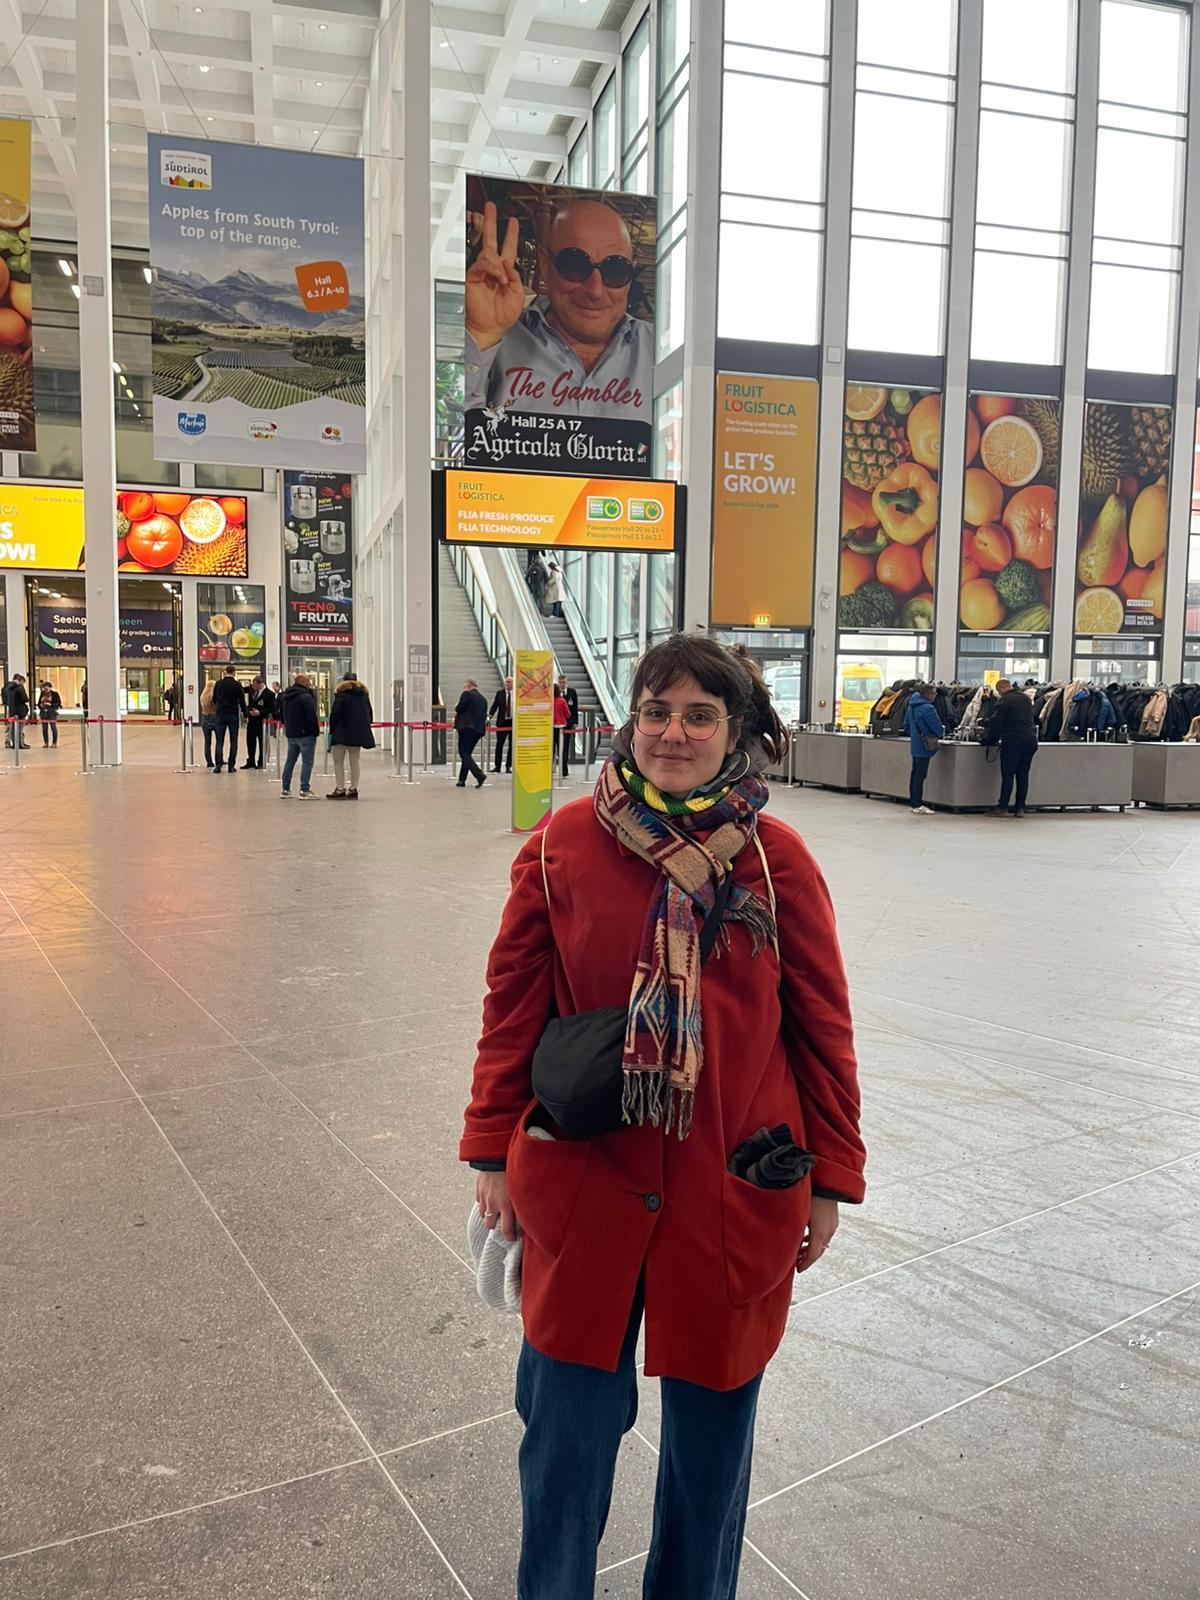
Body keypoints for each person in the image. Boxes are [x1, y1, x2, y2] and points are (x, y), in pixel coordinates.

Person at [461, 634, 865, 1600]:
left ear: (735, 732)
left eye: (698, 715)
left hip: (730, 1187)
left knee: (709, 1461)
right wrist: (489, 1154)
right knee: (564, 1440)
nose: (672, 732)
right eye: (655, 711)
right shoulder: (560, 848)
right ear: (628, 721)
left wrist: (833, 1178)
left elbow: (822, 1027)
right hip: (586, 1180)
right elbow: (513, 1010)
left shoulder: (775, 863)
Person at [464, 197, 653, 426]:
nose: (595, 290)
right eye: (575, 265)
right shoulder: (498, 340)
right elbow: (449, 436)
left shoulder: (661, 351)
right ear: (545, 265)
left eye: (615, 270)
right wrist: (480, 334)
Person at [986, 678, 1039, 817]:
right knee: (1023, 775)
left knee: (1008, 775)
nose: (999, 694)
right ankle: (1020, 808)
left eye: (999, 692)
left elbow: (997, 721)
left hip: (1013, 740)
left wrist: (987, 733)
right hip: (1030, 740)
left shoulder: (1005, 700)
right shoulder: (1026, 698)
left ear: (1002, 689)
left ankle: (1003, 807)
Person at [327, 671, 375, 800]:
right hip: (357, 734)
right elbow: (369, 713)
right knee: (354, 761)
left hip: (341, 734)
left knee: (338, 761)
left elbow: (335, 714)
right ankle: (353, 789)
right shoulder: (363, 695)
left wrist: (332, 730)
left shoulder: (341, 695)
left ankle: (340, 788)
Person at [902, 684, 943, 815]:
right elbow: (938, 729)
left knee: (915, 775)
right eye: (934, 694)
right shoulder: (928, 708)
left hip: (915, 745)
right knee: (920, 775)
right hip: (925, 746)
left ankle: (913, 802)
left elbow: (906, 726)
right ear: (928, 694)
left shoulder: (911, 706)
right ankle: (917, 804)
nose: (935, 696)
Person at [278, 673, 320, 799]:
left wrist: (287, 727)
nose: (309, 683)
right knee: (307, 762)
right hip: (306, 734)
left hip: (291, 734)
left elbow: (282, 714)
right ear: (301, 681)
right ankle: (304, 790)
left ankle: (285, 789)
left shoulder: (286, 696)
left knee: (290, 761)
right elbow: (311, 716)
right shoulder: (306, 697)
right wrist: (315, 732)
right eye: (307, 681)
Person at [211, 665, 247, 773]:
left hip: (221, 714)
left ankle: (218, 766)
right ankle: (231, 766)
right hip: (233, 715)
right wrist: (245, 715)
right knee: (233, 741)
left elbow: (214, 699)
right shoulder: (237, 685)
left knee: (219, 741)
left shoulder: (218, 684)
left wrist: (219, 706)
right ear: (234, 673)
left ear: (225, 672)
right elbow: (242, 701)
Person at [454, 677, 488, 789]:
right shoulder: (483, 699)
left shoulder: (467, 694)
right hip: (478, 730)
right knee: (467, 754)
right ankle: (461, 780)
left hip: (466, 727)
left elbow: (459, 708)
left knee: (463, 753)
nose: (464, 689)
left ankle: (479, 775)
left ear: (469, 686)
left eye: (464, 687)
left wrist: (456, 706)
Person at [243, 678, 276, 770]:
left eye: (254, 685)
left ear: (260, 684)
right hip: (251, 720)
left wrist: (260, 712)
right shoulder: (252, 690)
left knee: (262, 741)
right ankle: (251, 761)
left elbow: (272, 709)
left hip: (262, 721)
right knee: (250, 741)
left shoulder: (269, 694)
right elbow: (242, 690)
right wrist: (248, 711)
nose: (253, 687)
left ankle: (261, 761)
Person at [490, 675, 514, 773]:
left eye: (509, 682)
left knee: (511, 746)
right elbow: (494, 706)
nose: (507, 684)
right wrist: (489, 717)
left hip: (512, 722)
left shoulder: (516, 694)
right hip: (502, 722)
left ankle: (508, 766)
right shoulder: (500, 693)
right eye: (506, 682)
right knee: (499, 744)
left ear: (513, 684)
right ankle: (497, 766)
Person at [556, 672, 579, 776]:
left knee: (565, 746)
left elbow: (575, 708)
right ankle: (555, 769)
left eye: (563, 682)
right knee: (557, 747)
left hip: (568, 724)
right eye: (560, 682)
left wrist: (575, 722)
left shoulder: (572, 692)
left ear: (567, 682)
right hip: (556, 724)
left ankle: (564, 770)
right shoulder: (555, 693)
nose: (562, 684)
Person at [5, 674, 30, 749]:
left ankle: (14, 744)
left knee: (12, 728)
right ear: (21, 681)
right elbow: (24, 698)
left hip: (12, 711)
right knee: (20, 728)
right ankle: (20, 744)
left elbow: (5, 698)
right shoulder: (20, 687)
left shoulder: (8, 687)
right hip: (20, 711)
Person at [199, 677, 218, 768]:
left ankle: (209, 761)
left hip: (205, 718)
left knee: (207, 742)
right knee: (219, 741)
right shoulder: (214, 696)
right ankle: (219, 759)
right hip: (215, 717)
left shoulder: (203, 696)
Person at [37, 680, 62, 747]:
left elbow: (58, 703)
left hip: (52, 712)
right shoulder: (42, 694)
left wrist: (50, 705)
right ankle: (46, 743)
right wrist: (40, 705)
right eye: (44, 689)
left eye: (47, 688)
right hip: (43, 712)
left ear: (50, 688)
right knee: (44, 728)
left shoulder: (55, 694)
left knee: (53, 727)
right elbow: (39, 703)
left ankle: (54, 743)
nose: (45, 690)